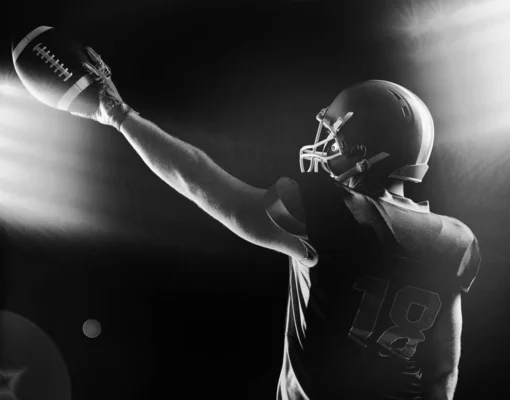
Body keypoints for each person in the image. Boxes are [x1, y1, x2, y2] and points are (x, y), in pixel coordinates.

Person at [75, 47, 480, 400]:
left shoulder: (333, 211)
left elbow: (199, 179)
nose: (325, 145)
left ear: (365, 149)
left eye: (335, 138)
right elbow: (443, 370)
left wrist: (118, 114)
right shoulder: (456, 240)